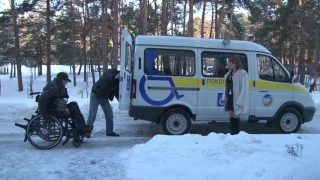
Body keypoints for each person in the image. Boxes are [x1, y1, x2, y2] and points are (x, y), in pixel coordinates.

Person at [38, 72, 92, 141]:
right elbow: (61, 95)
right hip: (53, 110)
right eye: (65, 81)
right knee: (73, 107)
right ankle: (80, 128)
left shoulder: (55, 85)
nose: (66, 82)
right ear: (60, 79)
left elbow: (61, 97)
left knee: (73, 105)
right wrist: (64, 108)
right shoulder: (54, 86)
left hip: (54, 106)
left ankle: (81, 126)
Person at [86, 68, 120, 137]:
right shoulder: (111, 71)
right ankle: (87, 132)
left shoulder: (118, 82)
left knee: (109, 113)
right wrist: (114, 76)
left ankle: (109, 132)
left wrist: (122, 102)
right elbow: (107, 75)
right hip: (95, 94)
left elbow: (117, 93)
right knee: (92, 114)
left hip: (104, 97)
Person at [221, 55, 249, 135]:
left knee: (236, 117)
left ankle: (236, 136)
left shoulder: (242, 73)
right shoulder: (229, 73)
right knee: (231, 117)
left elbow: (244, 89)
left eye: (230, 62)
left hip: (237, 98)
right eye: (228, 62)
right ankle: (232, 135)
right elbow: (226, 87)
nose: (229, 64)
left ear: (236, 63)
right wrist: (224, 97)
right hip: (230, 97)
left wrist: (240, 101)